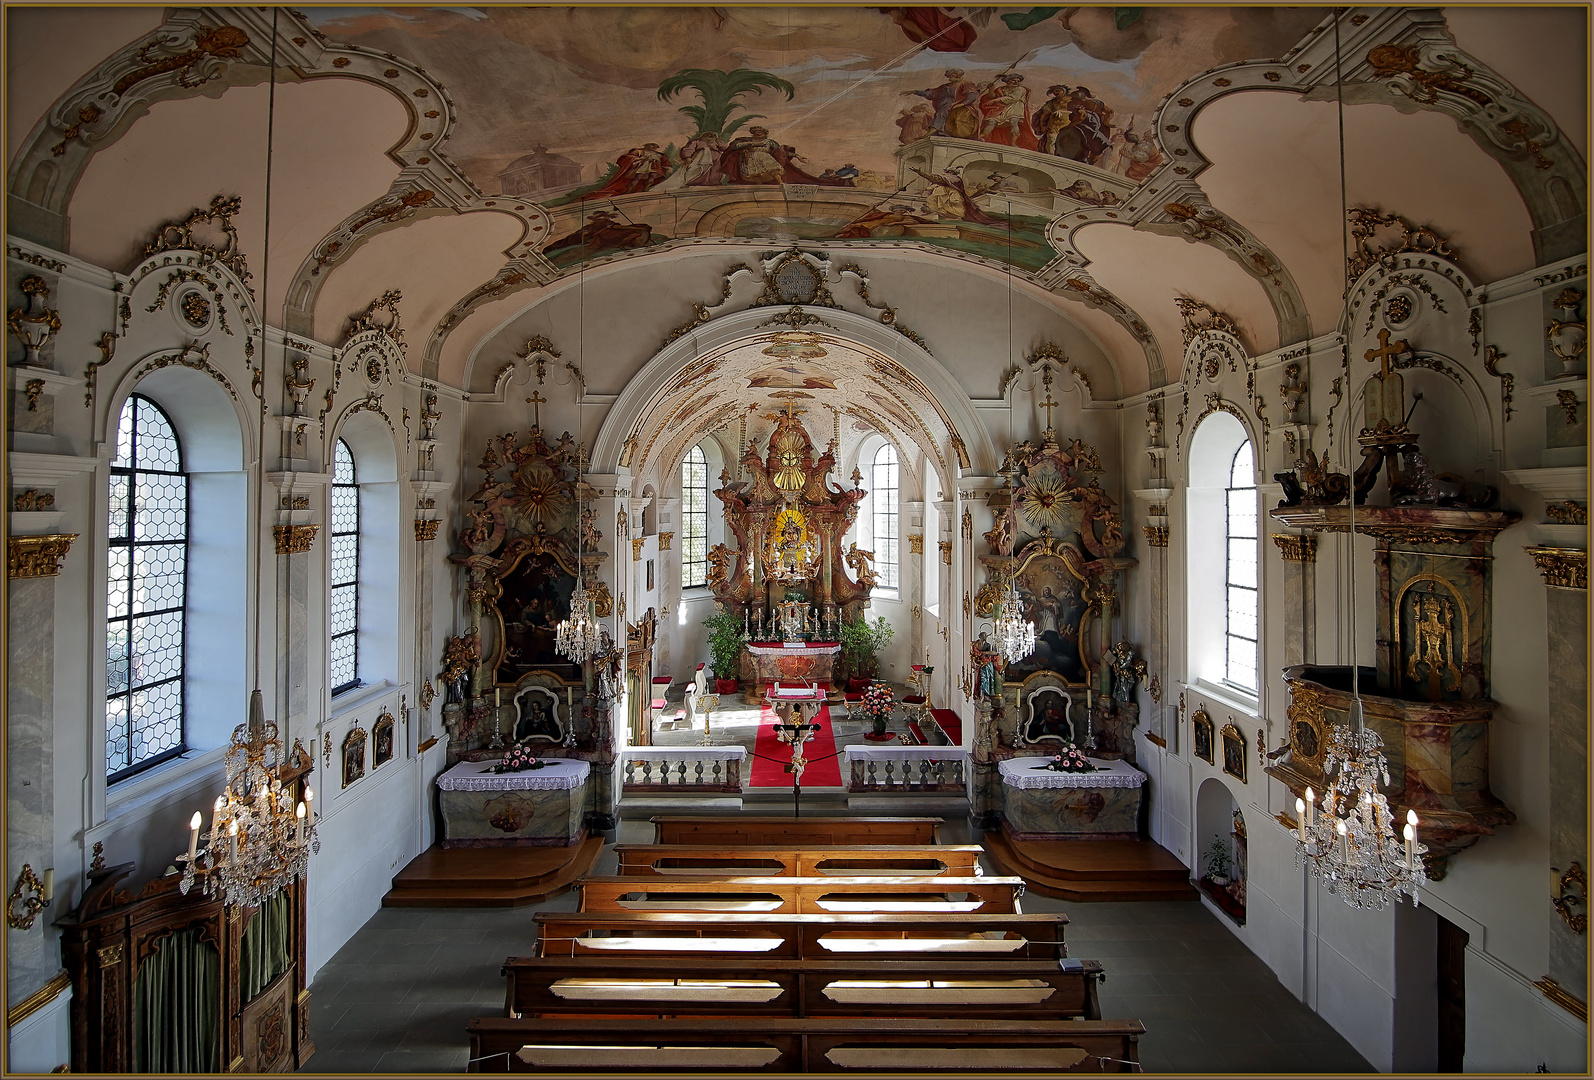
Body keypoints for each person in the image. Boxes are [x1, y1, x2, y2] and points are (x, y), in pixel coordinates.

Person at [901, 69, 981, 138]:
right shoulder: (944, 87)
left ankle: (931, 132)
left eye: (959, 74)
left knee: (942, 112)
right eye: (955, 73)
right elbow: (931, 94)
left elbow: (972, 95)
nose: (958, 75)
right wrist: (915, 92)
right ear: (949, 75)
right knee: (941, 112)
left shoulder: (965, 84)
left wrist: (962, 104)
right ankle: (940, 131)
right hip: (943, 106)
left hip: (958, 107)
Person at [978, 73, 1038, 150]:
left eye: (1018, 81)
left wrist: (996, 100)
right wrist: (991, 89)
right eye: (1013, 80)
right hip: (1002, 109)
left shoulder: (1020, 89)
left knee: (1013, 122)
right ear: (1007, 81)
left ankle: (1013, 142)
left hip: (1015, 108)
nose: (1016, 82)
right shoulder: (1001, 89)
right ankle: (982, 137)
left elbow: (1013, 98)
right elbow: (991, 97)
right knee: (991, 121)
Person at [587, 143, 670, 198]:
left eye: (655, 146)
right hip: (643, 166)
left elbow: (665, 162)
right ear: (646, 146)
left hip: (655, 167)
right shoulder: (640, 151)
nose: (653, 147)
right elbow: (628, 157)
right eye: (652, 146)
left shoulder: (659, 155)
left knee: (652, 177)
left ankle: (646, 188)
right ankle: (630, 189)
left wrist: (667, 167)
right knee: (638, 177)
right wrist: (639, 159)